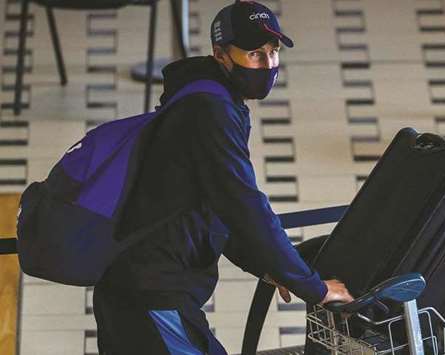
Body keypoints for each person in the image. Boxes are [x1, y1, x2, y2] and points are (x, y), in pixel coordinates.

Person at [92, 1, 353, 354]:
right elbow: (244, 205)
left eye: (273, 52)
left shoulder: (209, 98)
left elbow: (217, 207)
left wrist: (266, 266)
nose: (268, 64)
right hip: (151, 291)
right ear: (220, 54)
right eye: (254, 55)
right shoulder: (210, 111)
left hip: (140, 285)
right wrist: (313, 287)